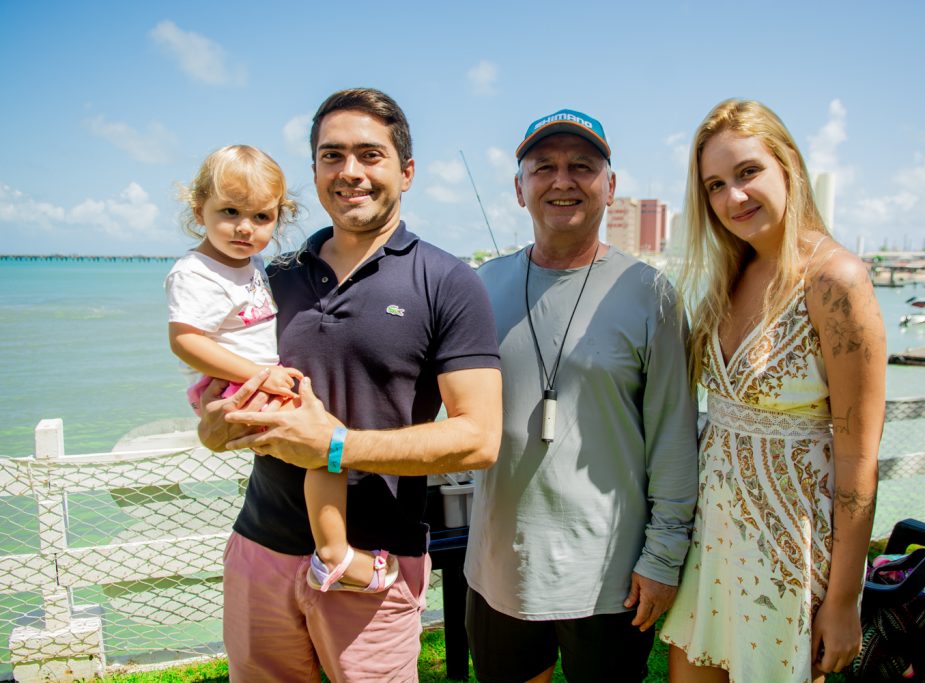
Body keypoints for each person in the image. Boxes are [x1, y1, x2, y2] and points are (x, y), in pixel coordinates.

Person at [196, 88, 502, 682]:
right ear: (313, 171)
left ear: (406, 171)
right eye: (332, 156)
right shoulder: (271, 279)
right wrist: (215, 429)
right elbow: (220, 404)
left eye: (370, 154)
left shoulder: (448, 281)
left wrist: (335, 447)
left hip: (371, 564)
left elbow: (479, 438)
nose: (350, 172)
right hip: (260, 547)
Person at [464, 109, 700, 683]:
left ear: (610, 187)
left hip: (611, 575)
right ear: (519, 188)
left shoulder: (652, 295)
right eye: (543, 167)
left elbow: (674, 436)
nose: (562, 180)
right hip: (499, 566)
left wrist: (663, 558)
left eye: (582, 167)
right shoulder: (477, 288)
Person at [659, 99, 885, 683]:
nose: (733, 197)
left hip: (789, 553)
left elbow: (859, 457)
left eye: (748, 172)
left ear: (789, 166)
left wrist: (843, 601)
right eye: (715, 184)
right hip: (712, 544)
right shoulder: (730, 272)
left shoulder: (837, 280)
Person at [165, 144, 399, 597]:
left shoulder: (248, 266)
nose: (244, 229)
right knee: (329, 448)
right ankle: (335, 555)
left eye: (261, 218)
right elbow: (186, 340)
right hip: (240, 382)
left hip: (248, 381)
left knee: (323, 450)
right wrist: (260, 374)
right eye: (230, 212)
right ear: (199, 210)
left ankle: (327, 550)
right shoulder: (195, 272)